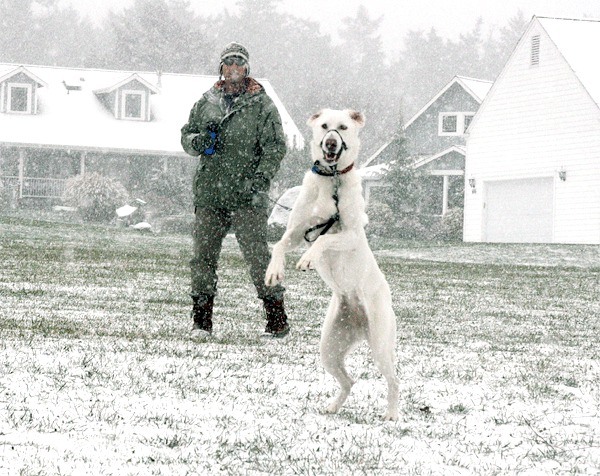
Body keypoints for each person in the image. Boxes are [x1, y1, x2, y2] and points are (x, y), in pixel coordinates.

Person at [181, 42, 289, 337]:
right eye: (227, 64)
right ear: (221, 68)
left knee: (258, 258)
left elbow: (276, 147)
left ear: (247, 69)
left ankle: (276, 319)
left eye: (238, 63)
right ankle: (201, 322)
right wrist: (198, 141)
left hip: (246, 197)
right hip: (210, 195)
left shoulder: (262, 106)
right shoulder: (206, 101)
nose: (232, 69)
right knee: (202, 257)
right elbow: (186, 135)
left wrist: (260, 180)